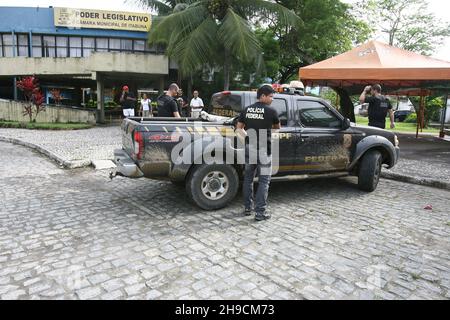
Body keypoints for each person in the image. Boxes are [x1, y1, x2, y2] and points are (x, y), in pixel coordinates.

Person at [235, 85, 281, 222]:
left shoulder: (247, 109)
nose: (272, 99)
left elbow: (238, 129)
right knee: (264, 181)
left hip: (250, 148)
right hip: (264, 149)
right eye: (271, 96)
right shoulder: (271, 111)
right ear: (262, 96)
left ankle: (248, 208)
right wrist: (268, 135)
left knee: (248, 178)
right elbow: (277, 128)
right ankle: (260, 212)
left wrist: (248, 138)